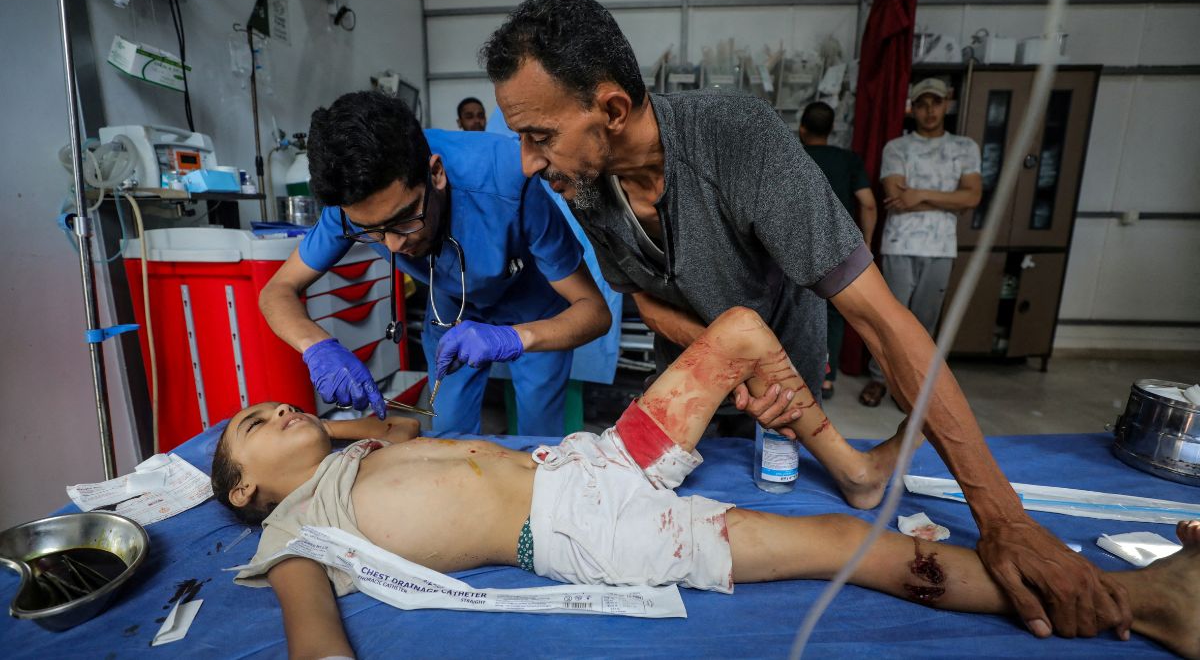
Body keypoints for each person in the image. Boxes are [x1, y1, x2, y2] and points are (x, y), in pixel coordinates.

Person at [478, 0, 1131, 639]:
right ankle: (856, 469)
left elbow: (880, 322)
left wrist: (1004, 517)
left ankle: (858, 471)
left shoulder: (736, 139)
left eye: (540, 137)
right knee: (676, 512)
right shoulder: (587, 188)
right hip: (700, 361)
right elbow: (641, 296)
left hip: (783, 354)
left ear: (613, 109)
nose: (528, 163)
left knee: (789, 492)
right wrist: (724, 359)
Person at [213, 307, 1200, 660]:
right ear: (249, 493)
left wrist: (345, 416)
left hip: (592, 459)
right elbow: (317, 645)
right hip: (585, 530)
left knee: (737, 331)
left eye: (277, 403)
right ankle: (1147, 603)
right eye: (256, 426)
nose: (281, 408)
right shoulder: (300, 535)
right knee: (840, 551)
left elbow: (380, 421)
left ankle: (856, 467)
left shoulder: (358, 451)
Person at [258, 91, 611, 437]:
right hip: (450, 309)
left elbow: (594, 312)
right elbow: (277, 290)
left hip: (533, 307)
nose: (394, 245)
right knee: (448, 429)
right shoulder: (351, 204)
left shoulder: (508, 177)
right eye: (373, 231)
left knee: (539, 434)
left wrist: (517, 337)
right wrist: (317, 346)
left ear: (436, 174)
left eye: (404, 220)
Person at [858, 78, 982, 409]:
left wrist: (920, 194)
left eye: (936, 103)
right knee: (890, 319)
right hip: (900, 242)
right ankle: (879, 378)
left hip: (941, 246)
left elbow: (972, 196)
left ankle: (913, 386)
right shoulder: (897, 147)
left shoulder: (964, 147)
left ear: (946, 105)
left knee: (925, 322)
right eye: (923, 104)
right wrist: (950, 199)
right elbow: (895, 196)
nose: (930, 111)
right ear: (913, 108)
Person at [798, 101, 877, 400]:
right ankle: (826, 378)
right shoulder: (849, 160)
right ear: (831, 130)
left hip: (796, 245)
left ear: (802, 129)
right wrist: (866, 243)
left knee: (796, 311)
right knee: (834, 313)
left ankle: (792, 375)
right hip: (838, 248)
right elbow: (868, 203)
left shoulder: (793, 155)